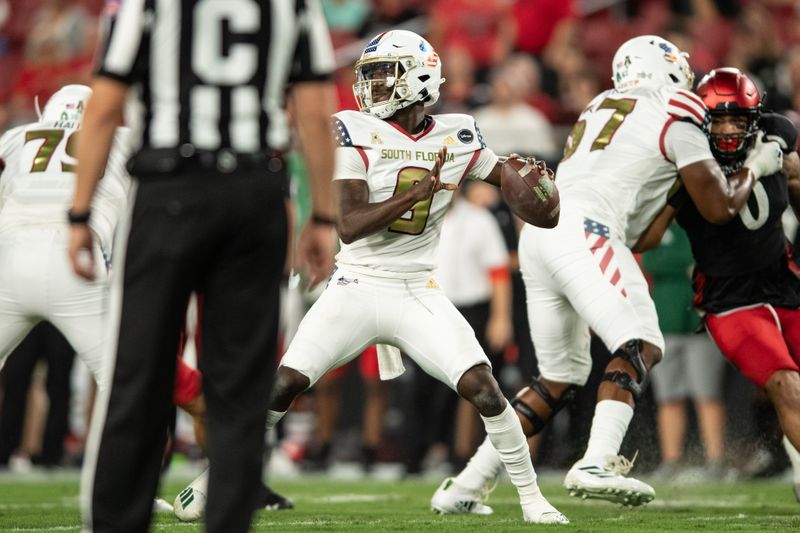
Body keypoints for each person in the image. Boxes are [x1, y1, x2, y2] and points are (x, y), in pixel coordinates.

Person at [433, 35, 784, 511]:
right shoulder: (676, 105)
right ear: (667, 68)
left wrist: (675, 192)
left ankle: (466, 486)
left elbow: (643, 235)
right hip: (586, 229)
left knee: (559, 377)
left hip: (543, 232)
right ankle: (597, 460)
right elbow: (721, 207)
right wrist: (759, 165)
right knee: (640, 344)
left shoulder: (601, 104)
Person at [264, 29, 567, 525]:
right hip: (356, 283)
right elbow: (350, 224)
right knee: (285, 384)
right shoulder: (352, 127)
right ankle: (221, 476)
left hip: (416, 288)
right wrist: (417, 192)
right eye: (371, 76)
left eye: (385, 74)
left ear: (421, 76)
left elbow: (507, 181)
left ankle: (532, 498)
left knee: (484, 387)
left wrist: (532, 189)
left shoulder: (459, 133)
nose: (373, 86)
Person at [68, 2, 338, 532]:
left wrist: (80, 212)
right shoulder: (293, 6)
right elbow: (314, 111)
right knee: (239, 388)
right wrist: (322, 216)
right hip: (256, 192)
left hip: (169, 189)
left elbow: (104, 105)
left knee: (139, 374)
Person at [634, 67, 800, 500]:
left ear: (752, 121)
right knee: (786, 383)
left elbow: (783, 129)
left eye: (737, 121)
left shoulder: (773, 139)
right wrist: (754, 165)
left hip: (783, 282)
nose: (727, 129)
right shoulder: (688, 168)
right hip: (730, 300)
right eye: (719, 121)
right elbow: (650, 235)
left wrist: (777, 154)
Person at [0, 84, 129, 393]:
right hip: (79, 256)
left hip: (9, 256)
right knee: (130, 385)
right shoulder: (123, 138)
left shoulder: (16, 137)